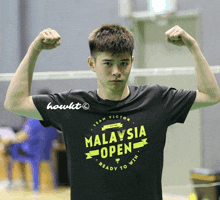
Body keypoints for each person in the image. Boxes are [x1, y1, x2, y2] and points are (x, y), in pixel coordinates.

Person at [4, 24, 220, 199]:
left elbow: (210, 95)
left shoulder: (156, 99)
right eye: (108, 63)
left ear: (132, 62)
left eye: (123, 63)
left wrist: (193, 46)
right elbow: (15, 102)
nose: (117, 72)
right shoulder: (72, 105)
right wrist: (34, 50)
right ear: (92, 64)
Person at [1, 89, 58, 190]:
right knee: (16, 148)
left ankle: (10, 181)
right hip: (46, 151)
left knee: (8, 149)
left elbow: (23, 135)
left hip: (32, 151)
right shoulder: (54, 119)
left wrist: (9, 140)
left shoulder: (34, 117)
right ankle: (22, 182)